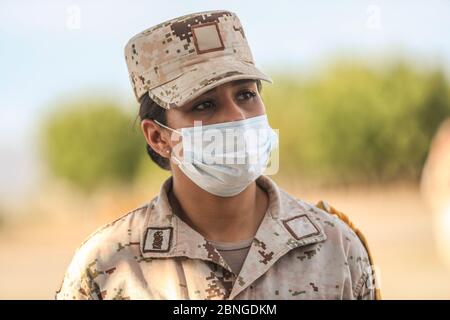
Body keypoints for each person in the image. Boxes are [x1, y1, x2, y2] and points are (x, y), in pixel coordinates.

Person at [56, 10, 380, 300]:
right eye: (204, 104)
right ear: (158, 137)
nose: (238, 117)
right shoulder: (108, 266)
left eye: (246, 94)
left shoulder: (335, 247)